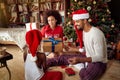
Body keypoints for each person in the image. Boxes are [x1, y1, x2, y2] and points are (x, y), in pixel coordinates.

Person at [67, 9, 108, 80]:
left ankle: (84, 67)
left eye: (77, 21)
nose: (75, 24)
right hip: (88, 59)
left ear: (85, 20)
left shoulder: (96, 34)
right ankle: (85, 66)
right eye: (75, 22)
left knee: (85, 77)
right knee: (64, 57)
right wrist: (74, 49)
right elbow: (87, 48)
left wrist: (80, 60)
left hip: (99, 63)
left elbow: (100, 57)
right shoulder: (84, 32)